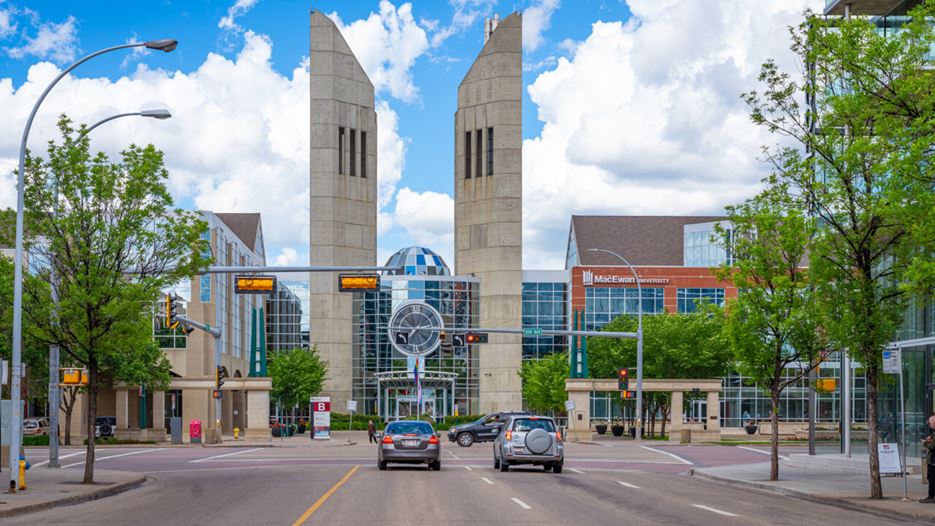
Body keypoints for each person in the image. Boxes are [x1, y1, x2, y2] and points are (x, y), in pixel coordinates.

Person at [920, 415, 935, 504]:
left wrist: (925, 443)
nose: (929, 425)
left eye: (930, 423)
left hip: (933, 460)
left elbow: (932, 446)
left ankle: (931, 496)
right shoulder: (933, 433)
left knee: (932, 478)